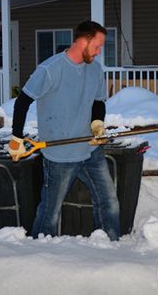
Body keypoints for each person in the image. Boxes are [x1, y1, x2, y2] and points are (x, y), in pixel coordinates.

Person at [7, 20, 120, 241]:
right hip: (59, 155)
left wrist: (97, 123)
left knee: (109, 201)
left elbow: (98, 102)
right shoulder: (50, 69)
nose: (98, 52)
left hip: (89, 150)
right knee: (51, 211)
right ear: (83, 41)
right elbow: (22, 101)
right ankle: (40, 251)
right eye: (97, 46)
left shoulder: (95, 69)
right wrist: (16, 138)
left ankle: (111, 247)